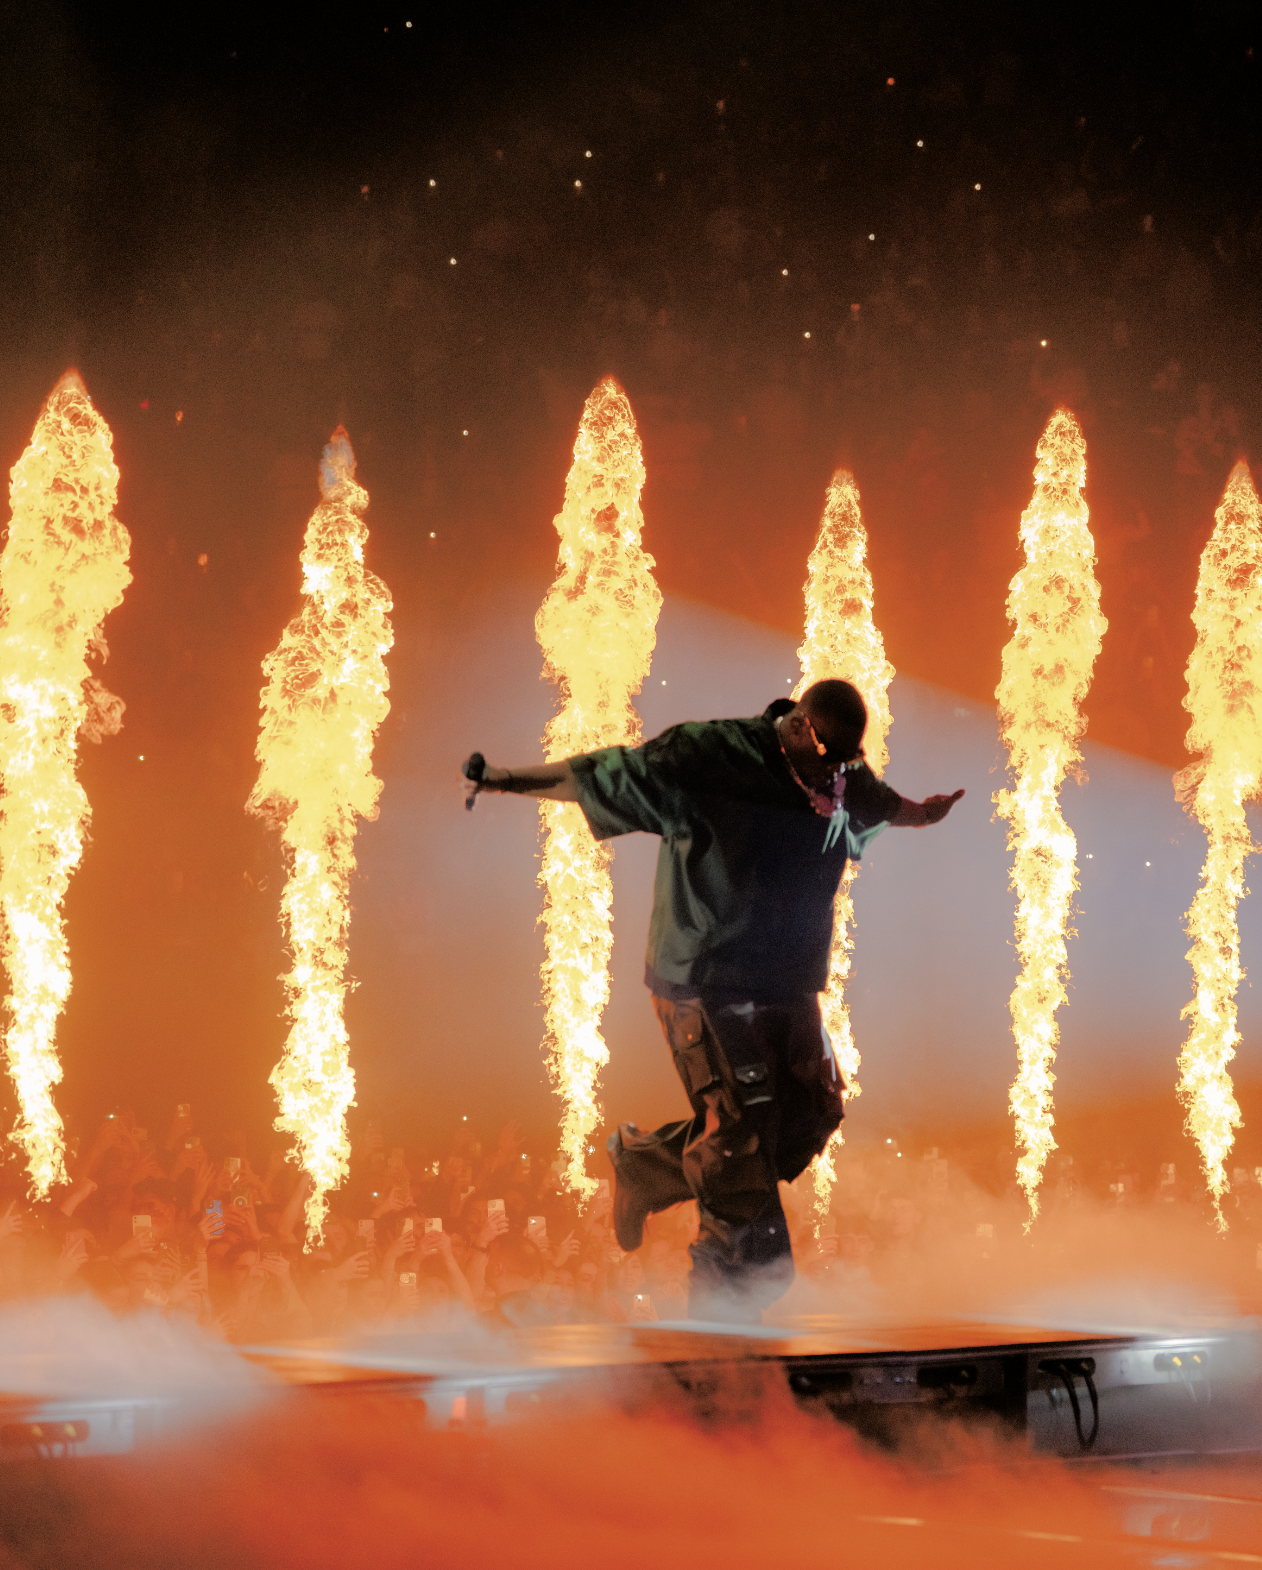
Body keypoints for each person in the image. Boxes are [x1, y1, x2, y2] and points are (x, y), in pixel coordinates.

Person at [463, 680, 963, 1321]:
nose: (836, 776)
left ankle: (650, 1166)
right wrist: (505, 779)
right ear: (800, 728)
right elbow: (604, 774)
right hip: (705, 979)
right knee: (740, 1136)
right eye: (829, 760)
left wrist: (920, 813)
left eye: (845, 764)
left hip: (785, 980)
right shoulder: (707, 756)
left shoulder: (840, 769)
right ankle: (719, 1307)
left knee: (812, 1113)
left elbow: (875, 800)